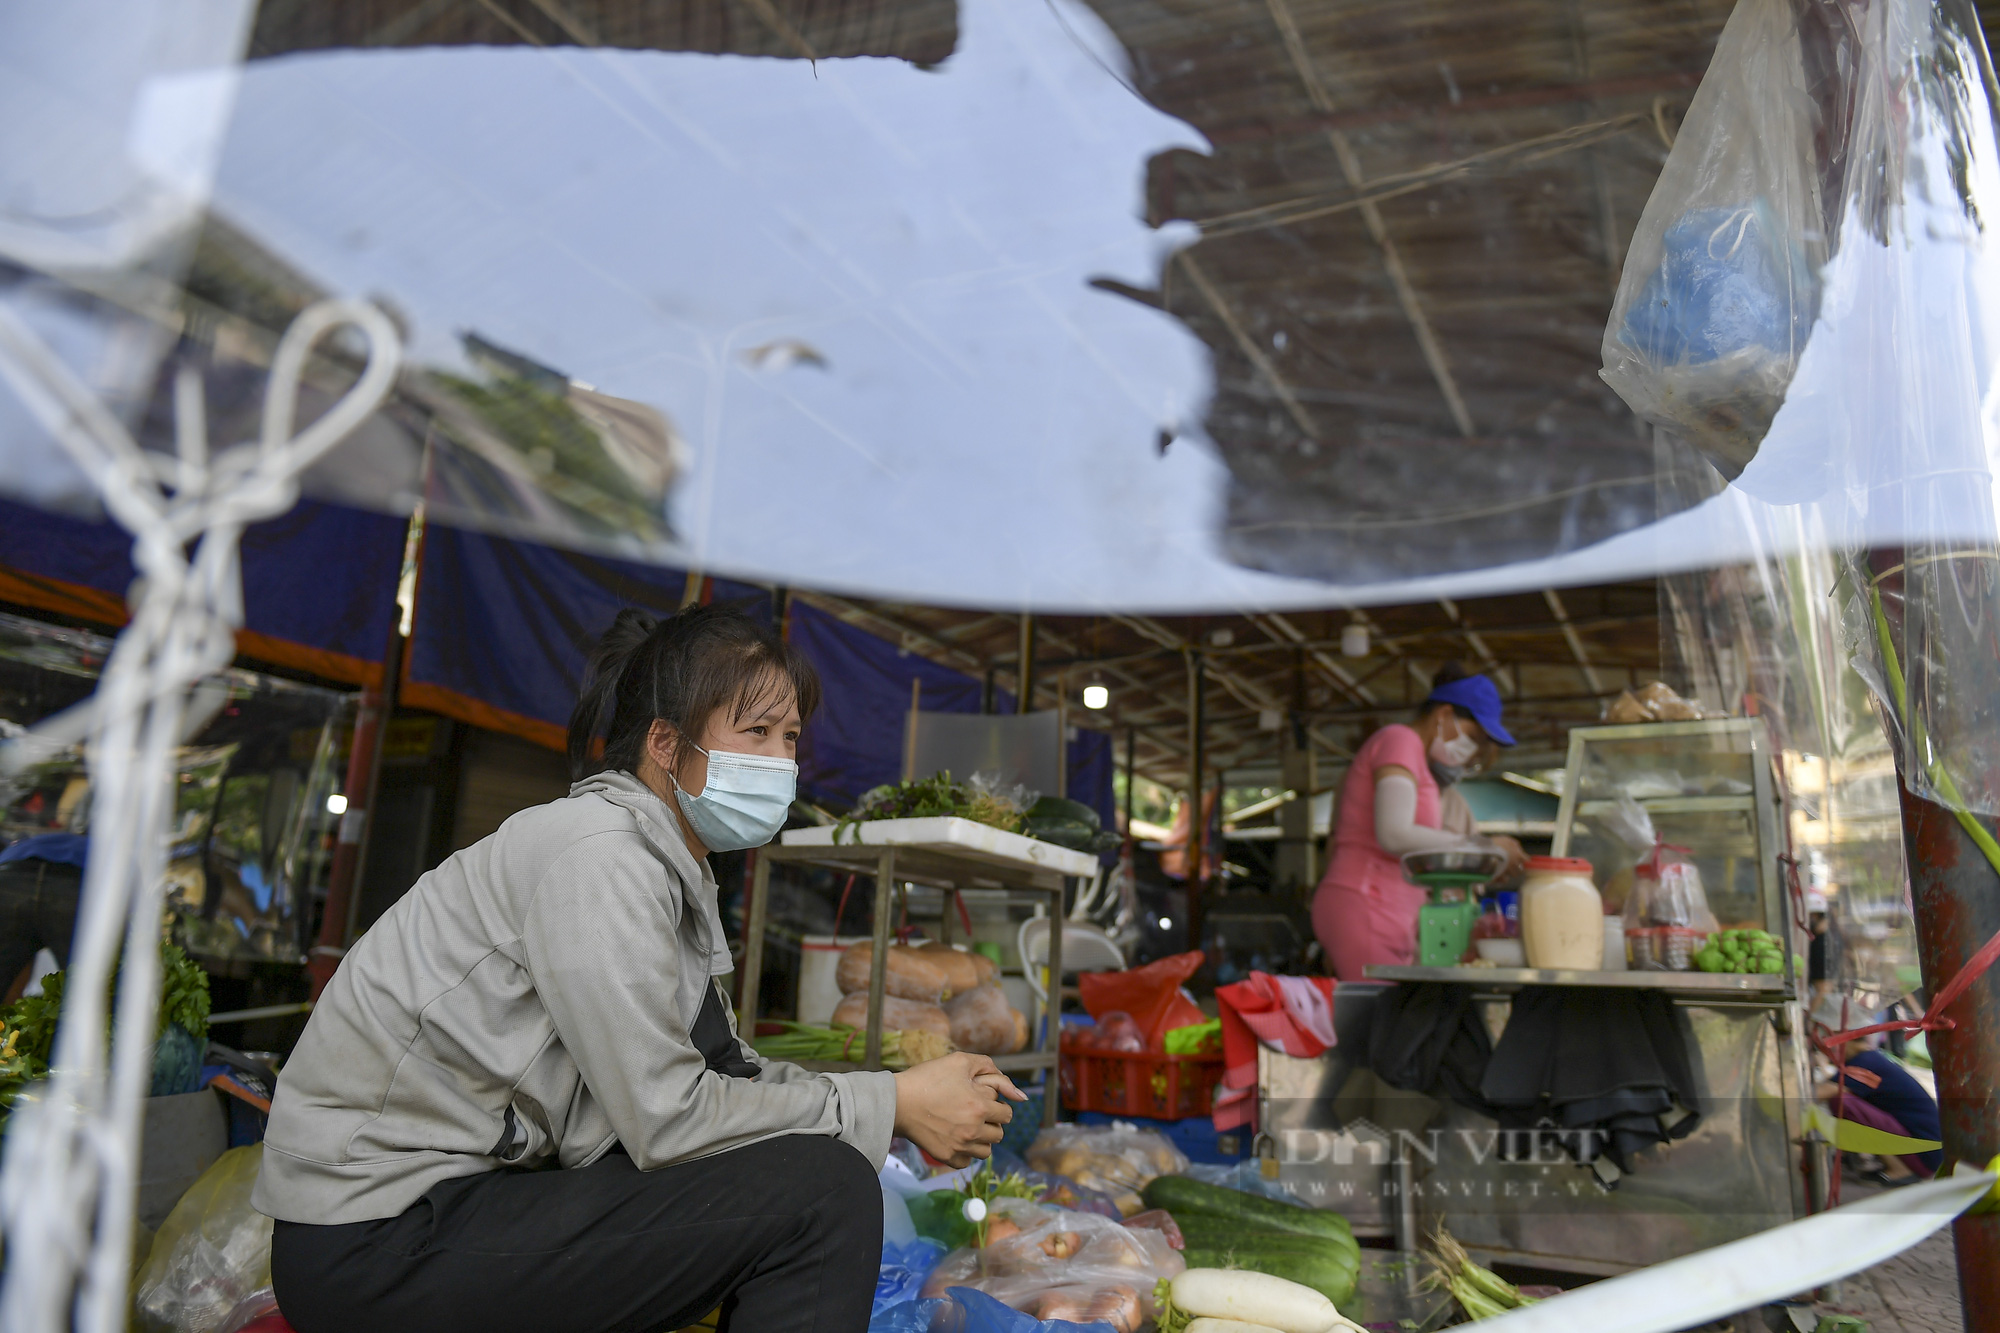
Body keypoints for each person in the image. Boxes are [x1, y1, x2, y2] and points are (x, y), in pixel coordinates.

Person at [257, 604, 1023, 1333]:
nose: (781, 760)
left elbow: (731, 1076)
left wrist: (898, 1101)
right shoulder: (601, 856)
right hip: (378, 1237)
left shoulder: (665, 866)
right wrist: (887, 1099)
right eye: (755, 731)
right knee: (823, 1194)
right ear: (664, 744)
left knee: (805, 1170)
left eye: (790, 737)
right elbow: (669, 1116)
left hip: (452, 1209)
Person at [1311, 666, 1524, 982]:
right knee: (1380, 1022)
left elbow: (1419, 844)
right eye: (1474, 737)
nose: (1473, 749)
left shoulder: (1418, 763)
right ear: (1445, 714)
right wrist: (1486, 847)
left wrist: (1486, 858)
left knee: (1391, 1021)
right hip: (1365, 901)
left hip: (1389, 911)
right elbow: (1394, 834)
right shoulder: (1399, 740)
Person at [1813, 995, 1942, 1184]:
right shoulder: (1868, 1060)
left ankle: (1900, 1170)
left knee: (1842, 1101)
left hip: (1924, 1156)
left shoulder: (1864, 1065)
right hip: (1927, 1151)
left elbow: (1820, 1092)